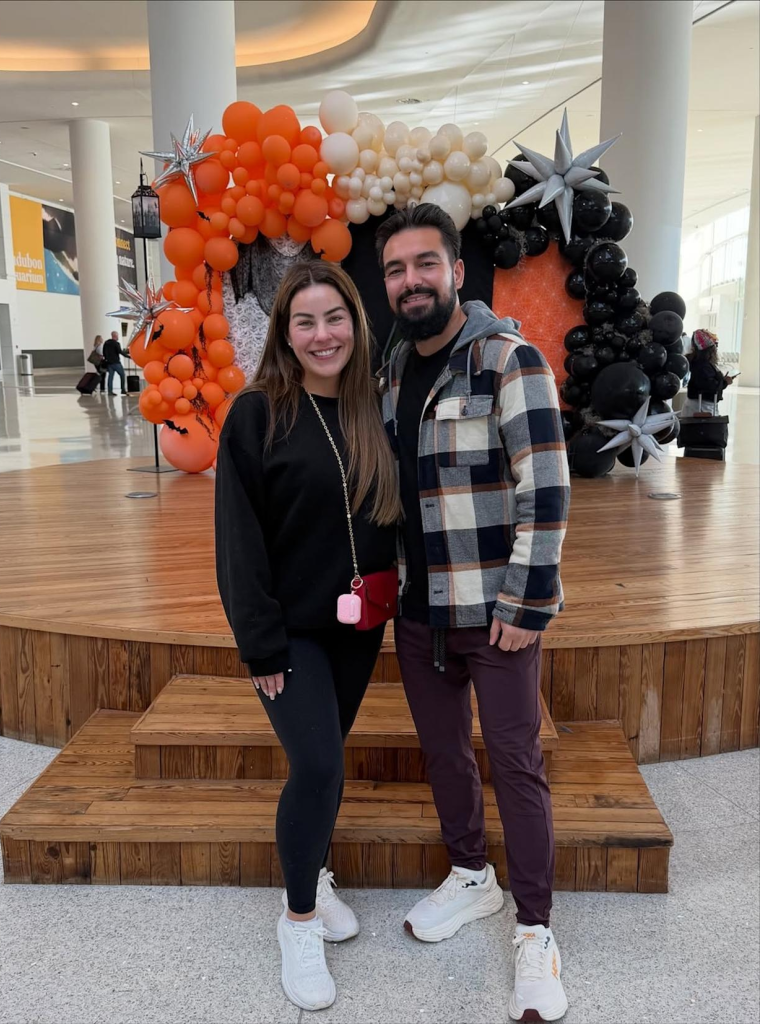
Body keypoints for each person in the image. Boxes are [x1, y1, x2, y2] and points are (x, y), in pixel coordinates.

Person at [375, 203, 570, 1023]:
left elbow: (546, 488)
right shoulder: (393, 369)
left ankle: (534, 928)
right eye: (395, 269)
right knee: (444, 754)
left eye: (425, 263)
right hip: (419, 607)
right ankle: (470, 875)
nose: (410, 280)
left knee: (515, 763)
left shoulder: (506, 359)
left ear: (456, 271)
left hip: (495, 611)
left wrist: (526, 601)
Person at [215, 261, 399, 1013]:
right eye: (305, 322)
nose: (323, 335)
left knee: (329, 758)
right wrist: (259, 643)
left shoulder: (370, 407)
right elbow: (238, 541)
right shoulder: (257, 413)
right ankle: (297, 921)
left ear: (355, 322)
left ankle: (315, 875)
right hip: (290, 631)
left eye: (335, 318)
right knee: (318, 765)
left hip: (357, 624)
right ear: (285, 335)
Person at [681, 329, 736, 416]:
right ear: (710, 349)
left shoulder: (700, 363)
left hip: (701, 406)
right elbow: (710, 386)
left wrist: (723, 380)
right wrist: (725, 382)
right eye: (715, 345)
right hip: (702, 408)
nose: (716, 348)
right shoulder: (702, 365)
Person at [102, 330, 129, 395]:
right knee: (122, 375)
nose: (118, 337)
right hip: (116, 363)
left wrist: (106, 358)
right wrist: (129, 356)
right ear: (115, 336)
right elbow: (120, 351)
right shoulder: (116, 343)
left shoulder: (106, 343)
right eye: (117, 336)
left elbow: (104, 352)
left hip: (109, 363)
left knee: (110, 377)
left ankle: (110, 391)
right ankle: (123, 389)